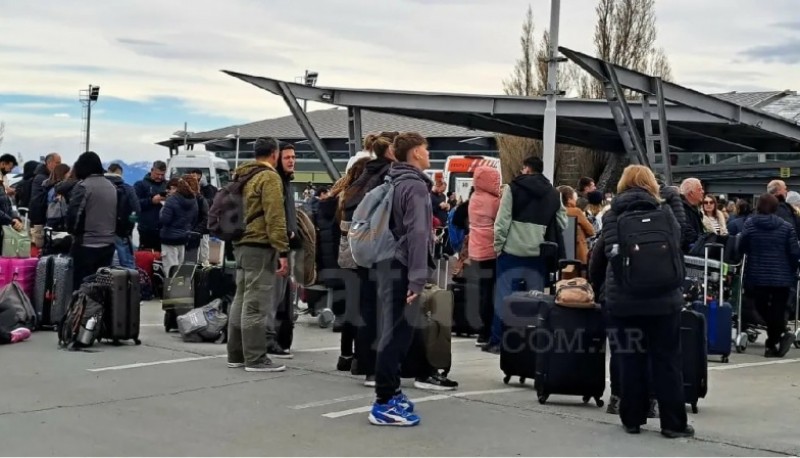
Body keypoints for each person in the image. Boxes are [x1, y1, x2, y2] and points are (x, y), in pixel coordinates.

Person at [590, 164, 693, 439]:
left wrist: (599, 286)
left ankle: (632, 419)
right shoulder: (665, 212)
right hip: (664, 300)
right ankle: (673, 424)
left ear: (623, 184)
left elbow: (600, 256)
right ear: (652, 184)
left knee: (628, 359)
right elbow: (681, 240)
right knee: (667, 361)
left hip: (624, 300)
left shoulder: (612, 215)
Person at [369, 132, 434, 427]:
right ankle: (384, 401)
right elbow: (418, 235)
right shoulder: (415, 187)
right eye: (426, 149)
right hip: (404, 266)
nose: (428, 154)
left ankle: (391, 392)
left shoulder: (393, 180)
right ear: (417, 153)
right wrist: (417, 279)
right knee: (397, 334)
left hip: (388, 262)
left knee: (392, 330)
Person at [488, 156, 566, 353]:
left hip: (511, 251)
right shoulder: (554, 193)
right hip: (538, 252)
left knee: (504, 296)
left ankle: (498, 341)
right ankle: (532, 342)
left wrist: (498, 247)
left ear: (527, 169)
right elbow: (562, 223)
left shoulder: (512, 188)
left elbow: (502, 221)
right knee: (535, 298)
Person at [227, 137, 289, 373]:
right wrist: (282, 249)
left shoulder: (241, 174)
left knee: (240, 299)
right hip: (259, 245)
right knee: (256, 303)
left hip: (240, 243)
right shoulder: (269, 177)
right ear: (274, 154)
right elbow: (275, 216)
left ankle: (236, 353)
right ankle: (255, 358)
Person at [341, 134, 397, 387]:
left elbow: (349, 206)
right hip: (382, 248)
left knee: (365, 306)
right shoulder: (388, 175)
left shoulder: (363, 173)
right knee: (382, 309)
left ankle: (360, 361)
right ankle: (376, 366)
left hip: (361, 248)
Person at [317, 157, 369, 371]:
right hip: (357, 258)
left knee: (350, 309)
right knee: (362, 309)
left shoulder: (336, 197)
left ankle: (345, 355)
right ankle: (358, 355)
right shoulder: (357, 198)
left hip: (341, 260)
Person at [739, 193, 799, 358]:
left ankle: (776, 339)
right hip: (783, 276)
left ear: (758, 207)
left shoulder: (750, 224)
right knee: (778, 310)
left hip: (757, 275)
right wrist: (793, 270)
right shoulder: (787, 227)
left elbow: (741, 245)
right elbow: (794, 253)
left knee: (760, 307)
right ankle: (772, 343)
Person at [67, 152, 117, 289]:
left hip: (86, 245)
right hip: (108, 244)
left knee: (82, 287)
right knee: (101, 287)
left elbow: (74, 215)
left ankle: (82, 310)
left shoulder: (83, 186)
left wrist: (71, 231)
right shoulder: (111, 187)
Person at [270, 142, 300, 358]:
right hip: (277, 248)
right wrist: (282, 250)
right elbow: (276, 219)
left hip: (285, 246)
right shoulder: (277, 183)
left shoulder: (286, 183)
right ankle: (270, 341)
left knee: (283, 297)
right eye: (287, 157)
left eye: (293, 157)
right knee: (275, 297)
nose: (291, 160)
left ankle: (278, 339)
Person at [468, 166, 501, 346]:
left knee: (482, 291)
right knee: (493, 292)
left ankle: (482, 331)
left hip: (476, 251)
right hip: (491, 251)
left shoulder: (474, 197)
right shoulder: (494, 201)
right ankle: (489, 331)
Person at [159, 178, 198, 276]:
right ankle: (179, 289)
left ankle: (170, 290)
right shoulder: (193, 201)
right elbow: (194, 219)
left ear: (177, 188)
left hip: (169, 239)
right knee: (179, 269)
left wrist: (162, 209)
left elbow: (164, 220)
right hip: (183, 238)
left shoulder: (171, 200)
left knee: (170, 269)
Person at [106, 163, 140, 269]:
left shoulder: (100, 187)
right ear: (120, 173)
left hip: (101, 231)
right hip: (121, 230)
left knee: (104, 264)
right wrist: (129, 226)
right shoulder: (127, 188)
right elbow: (137, 209)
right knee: (127, 263)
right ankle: (129, 283)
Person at [30, 153, 62, 248]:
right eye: (58, 163)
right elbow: (38, 201)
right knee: (40, 246)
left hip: (45, 219)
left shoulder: (48, 177)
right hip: (40, 219)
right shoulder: (42, 178)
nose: (60, 165)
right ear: (49, 163)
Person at [134, 161, 168, 250]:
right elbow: (135, 204)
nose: (160, 177)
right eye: (157, 174)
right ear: (152, 170)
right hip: (147, 228)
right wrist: (151, 201)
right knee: (146, 257)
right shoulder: (140, 185)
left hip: (164, 229)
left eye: (162, 175)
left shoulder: (168, 185)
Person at [559, 185, 595, 265]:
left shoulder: (556, 212)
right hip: (578, 253)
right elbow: (591, 231)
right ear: (569, 199)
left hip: (562, 253)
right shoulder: (576, 212)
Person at [188, 168, 217, 264]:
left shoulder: (210, 189)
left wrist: (200, 195)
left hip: (204, 227)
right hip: (192, 226)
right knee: (192, 255)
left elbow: (211, 202)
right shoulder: (187, 189)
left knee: (204, 252)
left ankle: (203, 269)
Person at [181, 174, 208, 265]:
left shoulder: (199, 199)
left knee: (187, 264)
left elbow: (205, 218)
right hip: (185, 235)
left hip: (191, 235)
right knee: (187, 264)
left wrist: (196, 232)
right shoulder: (198, 199)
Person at [679, 177, 705, 253]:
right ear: (691, 193)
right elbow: (688, 233)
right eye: (699, 189)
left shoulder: (693, 209)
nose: (703, 192)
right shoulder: (681, 209)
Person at [43, 164, 71, 232]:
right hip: (59, 219)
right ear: (63, 173)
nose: (70, 174)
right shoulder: (59, 188)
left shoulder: (49, 186)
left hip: (51, 218)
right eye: (68, 172)